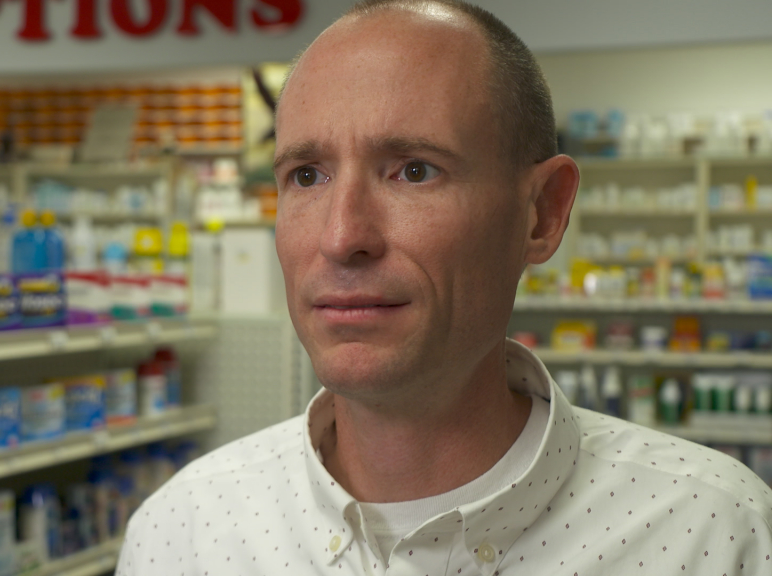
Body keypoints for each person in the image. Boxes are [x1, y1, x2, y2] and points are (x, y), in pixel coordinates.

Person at [117, 1, 772, 573]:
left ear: (542, 212)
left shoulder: (717, 535)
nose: (342, 237)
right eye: (307, 176)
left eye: (414, 170)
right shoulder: (182, 534)